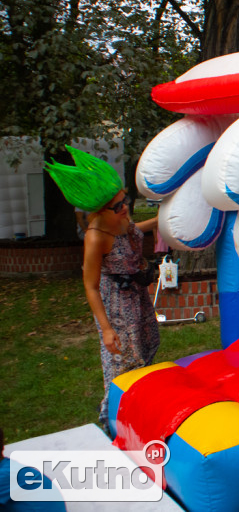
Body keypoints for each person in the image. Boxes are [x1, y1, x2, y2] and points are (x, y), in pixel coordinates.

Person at [43, 146, 161, 432]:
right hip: (117, 306)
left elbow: (137, 229)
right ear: (100, 210)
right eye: (119, 205)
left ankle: (140, 416)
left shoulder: (121, 219)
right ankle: (112, 425)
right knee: (121, 365)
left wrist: (166, 217)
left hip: (137, 297)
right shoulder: (96, 236)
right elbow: (91, 286)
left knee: (144, 354)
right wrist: (106, 328)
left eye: (126, 200)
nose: (126, 208)